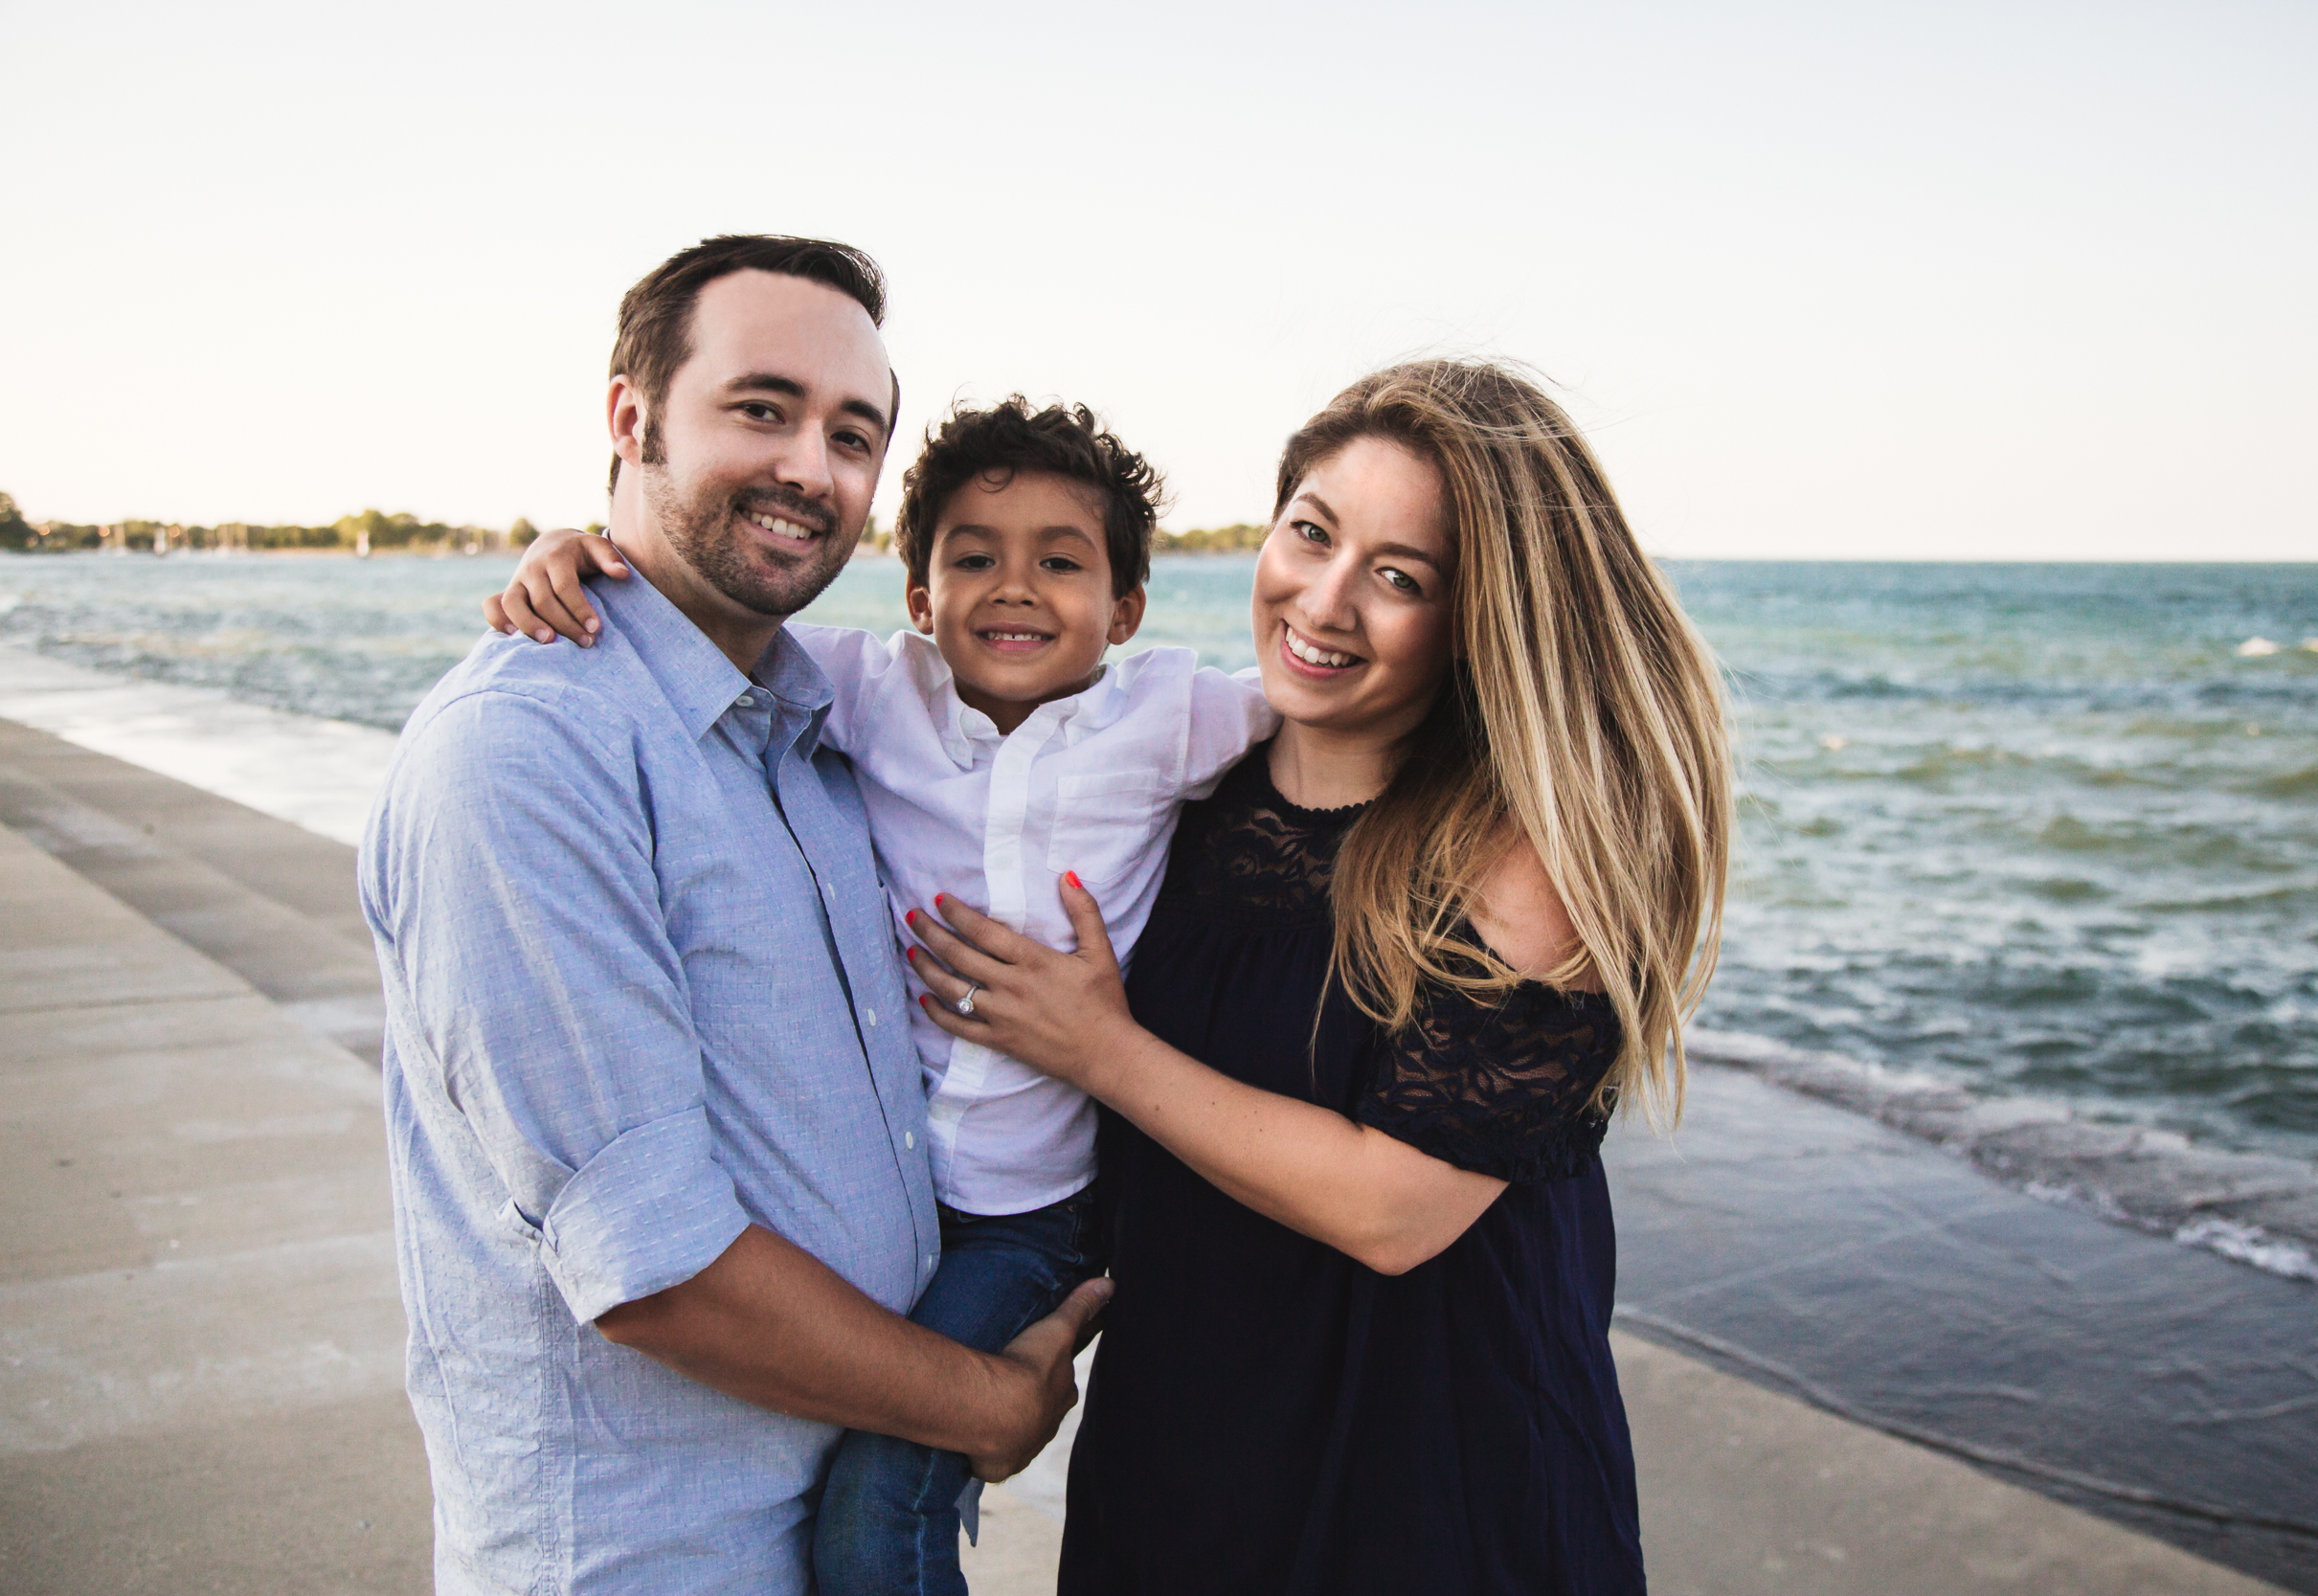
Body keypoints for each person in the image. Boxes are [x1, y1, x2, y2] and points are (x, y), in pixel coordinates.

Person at [901, 360, 1734, 1594]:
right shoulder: (1187, 792)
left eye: (1400, 576)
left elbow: (1392, 1209)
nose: (1324, 600)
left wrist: (1099, 1046)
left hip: (1427, 1483)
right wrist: (605, 574)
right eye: (1311, 533)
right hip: (1179, 1456)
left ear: (1482, 617)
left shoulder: (1524, 853)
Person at [359, 235, 1105, 1596]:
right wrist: (988, 1401)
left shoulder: (816, 724)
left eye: (852, 433)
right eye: (761, 409)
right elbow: (655, 1266)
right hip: (656, 1555)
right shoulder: (528, 753)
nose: (811, 469)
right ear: (631, 418)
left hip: (845, 1519)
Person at [489, 394, 1277, 1594]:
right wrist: (572, 560)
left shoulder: (1171, 713)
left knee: (876, 1508)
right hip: (890, 1181)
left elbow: (1338, 698)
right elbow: (694, 637)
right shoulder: (866, 688)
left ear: (1123, 609)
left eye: (1060, 563)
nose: (1013, 587)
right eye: (973, 559)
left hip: (1031, 1211)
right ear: (918, 597)